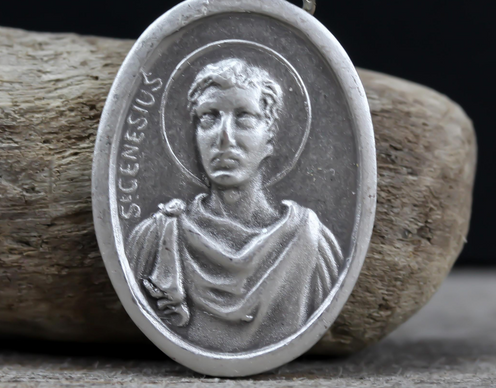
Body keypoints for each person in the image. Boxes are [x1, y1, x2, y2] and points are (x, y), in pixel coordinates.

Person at [126, 58, 342, 352]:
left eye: (244, 117)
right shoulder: (156, 239)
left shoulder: (311, 243)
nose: (224, 137)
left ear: (271, 137)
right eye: (209, 118)